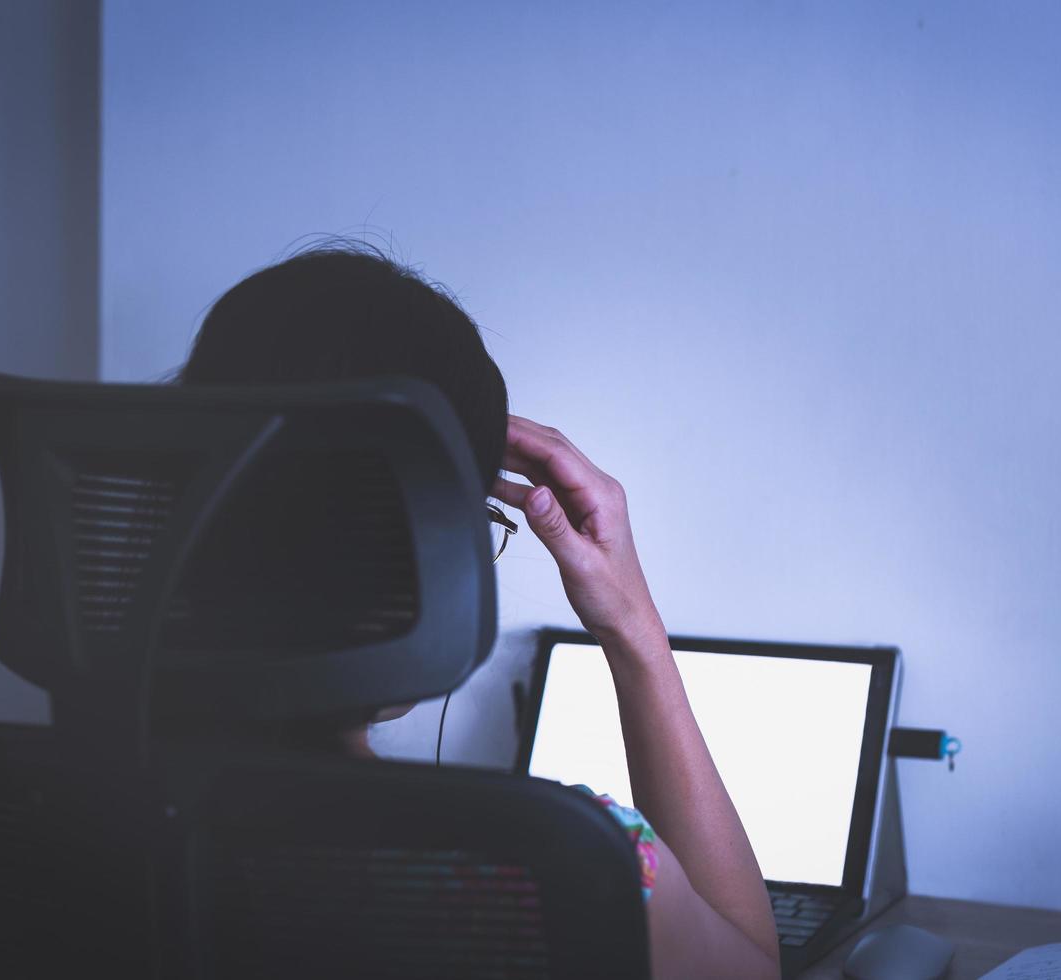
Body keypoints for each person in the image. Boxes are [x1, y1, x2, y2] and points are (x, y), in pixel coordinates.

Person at [179, 244, 779, 979]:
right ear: (427, 553)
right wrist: (635, 630)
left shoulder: (76, 811)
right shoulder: (554, 860)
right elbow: (754, 968)